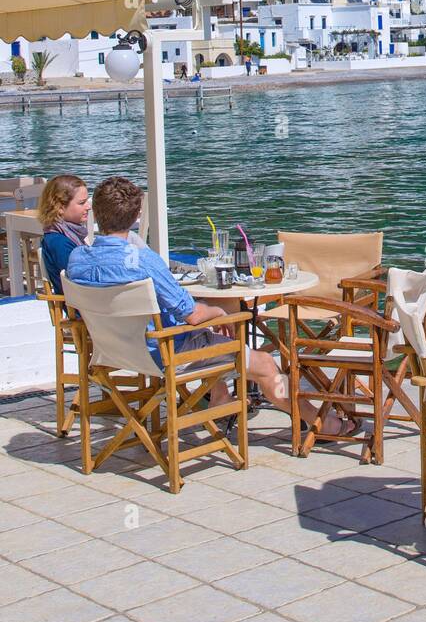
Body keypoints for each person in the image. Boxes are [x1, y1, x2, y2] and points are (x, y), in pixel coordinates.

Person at [67, 177, 356, 435]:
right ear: (135, 216)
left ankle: (220, 398)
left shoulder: (77, 260)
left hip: (111, 352)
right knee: (265, 363)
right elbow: (192, 315)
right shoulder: (143, 261)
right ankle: (320, 424)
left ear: (97, 212)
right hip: (165, 353)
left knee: (212, 336)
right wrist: (219, 313)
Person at [38, 174, 91, 294]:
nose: (88, 207)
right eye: (82, 203)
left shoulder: (69, 234)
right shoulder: (59, 242)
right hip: (82, 307)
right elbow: (79, 280)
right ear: (60, 207)